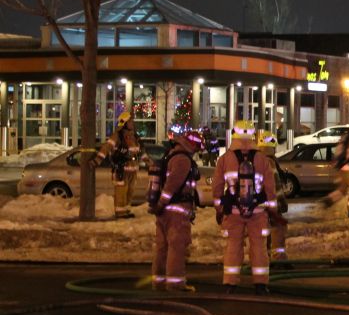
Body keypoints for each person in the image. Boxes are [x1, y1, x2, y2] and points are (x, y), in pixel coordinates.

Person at [212, 120, 277, 295]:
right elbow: (270, 188)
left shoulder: (225, 159)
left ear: (234, 134)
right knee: (259, 248)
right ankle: (261, 284)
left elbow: (217, 187)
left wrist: (219, 209)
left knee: (233, 247)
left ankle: (230, 283)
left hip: (233, 212)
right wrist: (272, 210)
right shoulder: (263, 159)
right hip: (258, 211)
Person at [146, 129, 203, 291]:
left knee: (162, 247)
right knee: (176, 247)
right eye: (197, 147)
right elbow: (172, 185)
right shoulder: (183, 160)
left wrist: (160, 206)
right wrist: (161, 203)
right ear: (192, 145)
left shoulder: (170, 154)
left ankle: (159, 281)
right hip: (176, 211)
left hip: (164, 211)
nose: (197, 151)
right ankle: (175, 283)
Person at [95, 111, 150, 219]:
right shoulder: (117, 136)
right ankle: (120, 213)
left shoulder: (135, 137)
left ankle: (126, 210)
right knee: (121, 192)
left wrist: (150, 163)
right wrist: (97, 160)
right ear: (124, 123)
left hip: (133, 171)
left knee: (130, 192)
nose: (132, 123)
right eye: (130, 121)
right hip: (121, 170)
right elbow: (107, 147)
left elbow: (141, 152)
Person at [256, 130, 290, 262]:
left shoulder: (257, 159)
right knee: (278, 231)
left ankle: (265, 258)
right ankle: (279, 259)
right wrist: (281, 205)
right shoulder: (269, 162)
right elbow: (275, 186)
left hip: (260, 204)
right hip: (272, 204)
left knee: (266, 234)